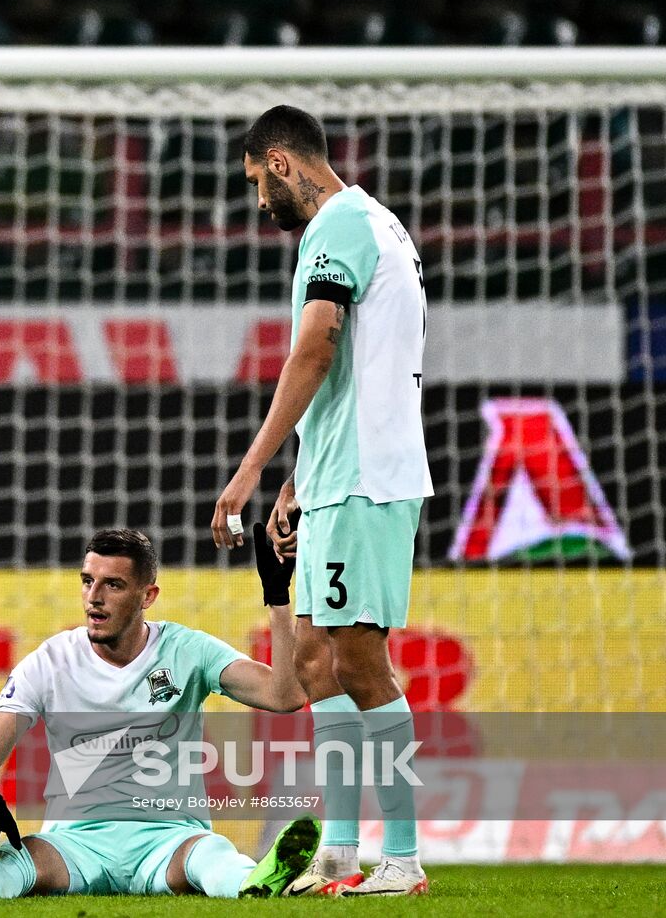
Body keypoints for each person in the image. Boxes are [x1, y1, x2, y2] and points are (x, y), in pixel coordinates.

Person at [210, 105, 433, 896]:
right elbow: (355, 373)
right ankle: (339, 852)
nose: (258, 204)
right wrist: (300, 480)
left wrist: (248, 472)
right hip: (340, 473)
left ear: (280, 163)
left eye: (254, 185)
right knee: (313, 658)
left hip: (368, 477)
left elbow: (317, 347)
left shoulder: (335, 228)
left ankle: (402, 860)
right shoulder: (377, 225)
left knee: (360, 660)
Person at [0, 528, 320, 901]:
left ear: (147, 596)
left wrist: (278, 600)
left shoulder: (187, 651)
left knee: (211, 855)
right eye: (88, 581)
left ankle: (256, 882)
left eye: (113, 585)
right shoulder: (50, 661)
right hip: (75, 843)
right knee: (18, 861)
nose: (94, 597)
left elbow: (284, 696)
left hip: (169, 838)